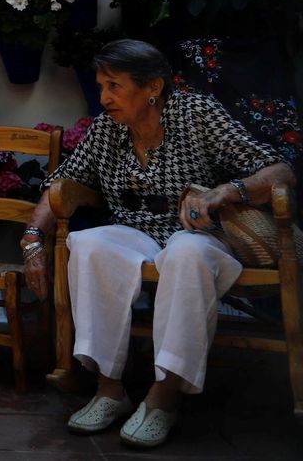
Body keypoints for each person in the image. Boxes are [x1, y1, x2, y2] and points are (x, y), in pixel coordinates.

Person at [24, 39, 291, 449]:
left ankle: (165, 393)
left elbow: (279, 171)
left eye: (114, 86)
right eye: (101, 86)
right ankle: (109, 388)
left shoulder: (195, 113)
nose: (104, 98)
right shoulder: (108, 129)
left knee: (185, 252)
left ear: (153, 87)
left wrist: (225, 192)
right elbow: (59, 183)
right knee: (88, 243)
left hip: (199, 237)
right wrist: (32, 240)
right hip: (138, 233)